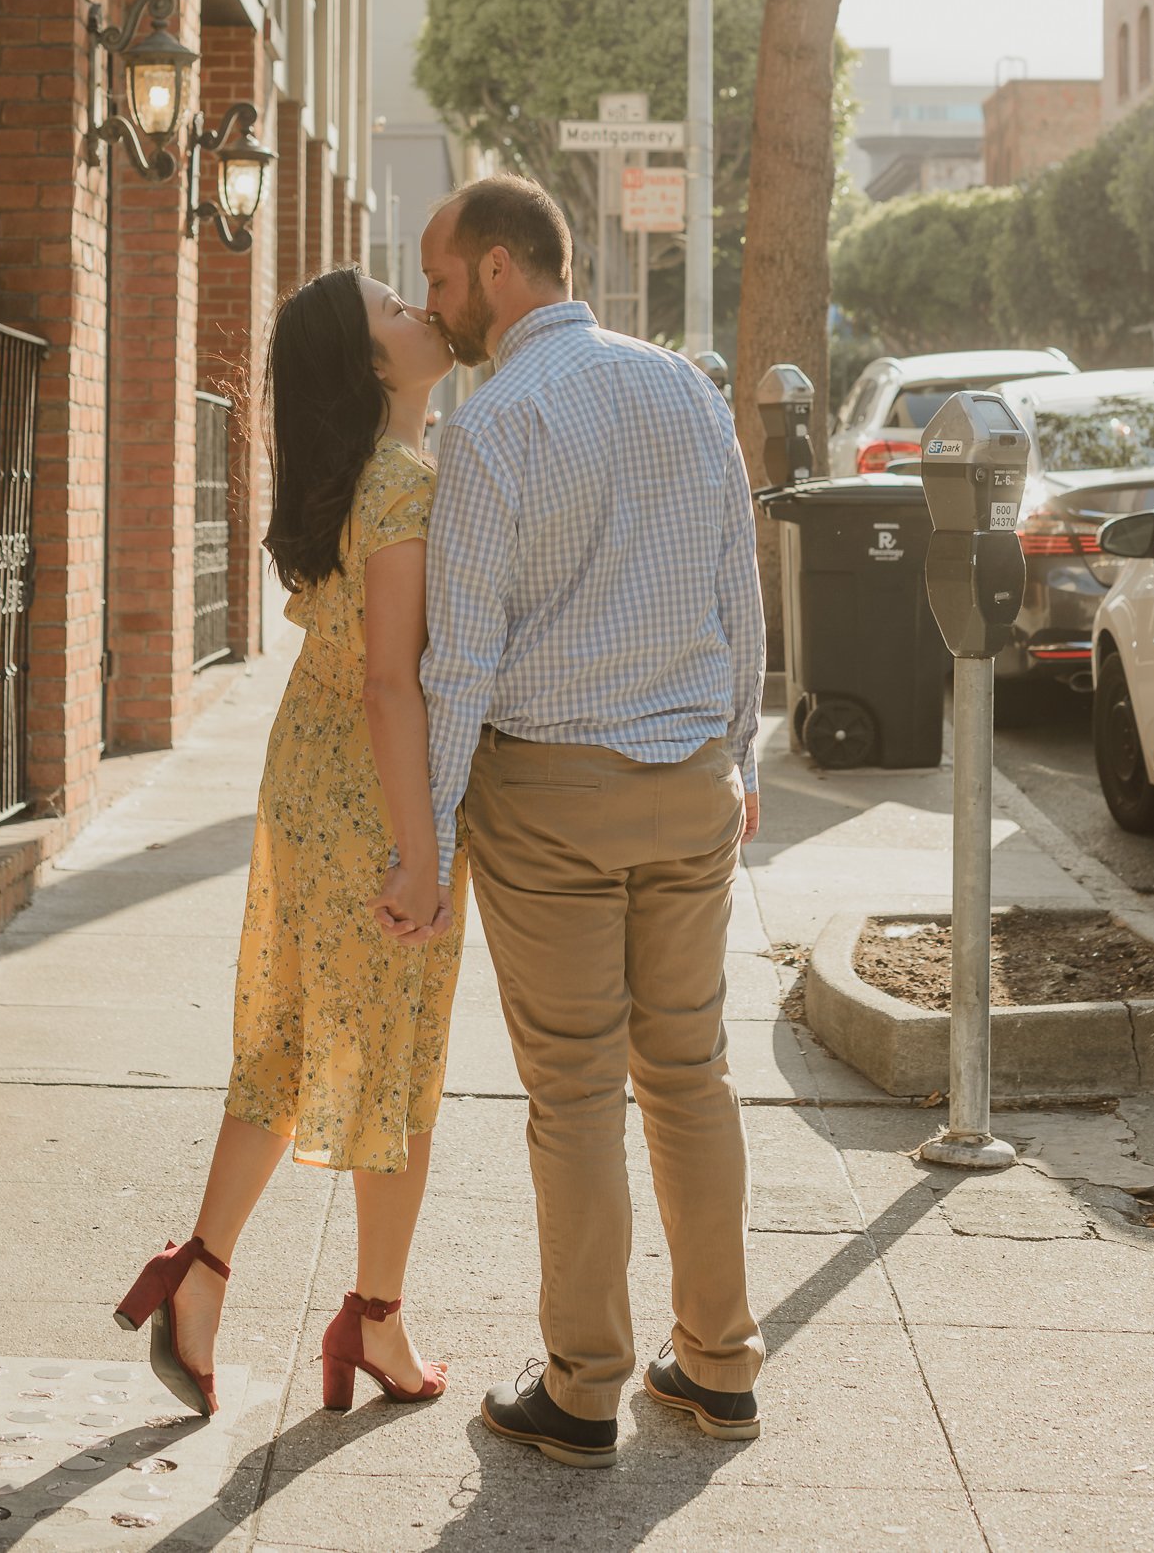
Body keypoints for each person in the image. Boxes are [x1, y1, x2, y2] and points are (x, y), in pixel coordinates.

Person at [387, 173, 767, 1470]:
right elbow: (740, 594)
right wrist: (743, 748)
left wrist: (426, 846)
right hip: (689, 783)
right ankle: (719, 1366)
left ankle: (585, 1385)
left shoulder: (495, 426)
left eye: (441, 282)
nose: (438, 309)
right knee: (691, 1073)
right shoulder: (688, 391)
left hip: (547, 794)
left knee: (574, 1093)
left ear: (500, 269)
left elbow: (459, 665)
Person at [115, 268, 465, 1420]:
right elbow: (389, 684)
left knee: (292, 1033)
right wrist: (420, 854)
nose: (421, 314)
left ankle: (200, 1275)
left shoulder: (351, 477)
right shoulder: (404, 481)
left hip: (304, 774)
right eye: (396, 313)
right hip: (370, 789)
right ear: (374, 367)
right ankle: (377, 1322)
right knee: (393, 1052)